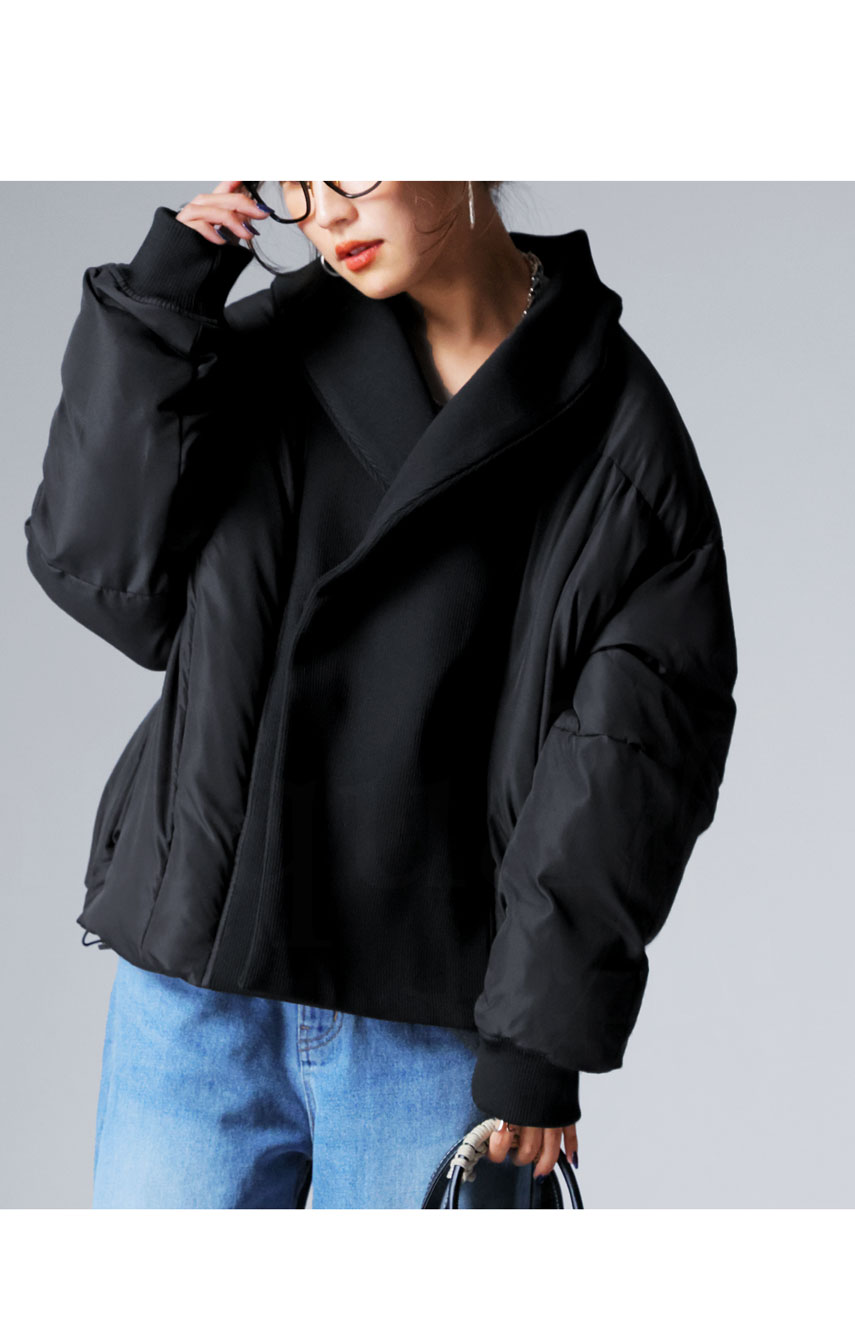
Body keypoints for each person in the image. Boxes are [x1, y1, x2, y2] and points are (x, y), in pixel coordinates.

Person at [24, 181, 738, 1208]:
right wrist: (162, 305)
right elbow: (106, 584)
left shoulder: (615, 435)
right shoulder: (263, 351)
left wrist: (540, 1039)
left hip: (434, 1026)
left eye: (353, 167)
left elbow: (629, 761)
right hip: (197, 994)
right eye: (299, 181)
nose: (326, 214)